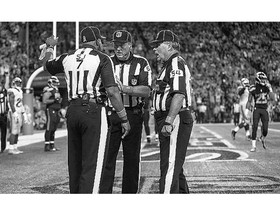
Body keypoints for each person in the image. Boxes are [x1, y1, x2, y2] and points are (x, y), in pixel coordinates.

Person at [40, 26, 130, 193]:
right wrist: (123, 117)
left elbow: (46, 65)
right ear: (96, 41)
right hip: (93, 110)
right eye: (100, 40)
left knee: (75, 164)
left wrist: (49, 48)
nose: (102, 43)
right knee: (93, 165)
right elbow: (111, 91)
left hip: (73, 110)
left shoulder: (67, 57)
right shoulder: (102, 58)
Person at [99, 30, 152, 193]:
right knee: (107, 157)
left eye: (122, 45)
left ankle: (129, 194)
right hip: (111, 114)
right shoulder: (106, 61)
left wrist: (126, 89)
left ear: (130, 45)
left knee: (131, 158)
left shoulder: (141, 63)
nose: (118, 48)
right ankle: (104, 193)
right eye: (115, 45)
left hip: (133, 113)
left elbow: (147, 90)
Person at [150, 30, 194, 193]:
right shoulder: (170, 64)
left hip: (173, 117)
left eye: (157, 45)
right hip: (171, 116)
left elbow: (179, 94)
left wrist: (169, 120)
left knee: (169, 166)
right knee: (175, 166)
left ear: (168, 45)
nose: (154, 49)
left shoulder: (175, 63)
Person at [245, 72, 275, 152]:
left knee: (265, 130)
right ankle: (253, 146)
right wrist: (247, 111)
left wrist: (270, 88)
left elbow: (272, 98)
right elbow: (249, 100)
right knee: (254, 127)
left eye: (264, 79)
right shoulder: (253, 88)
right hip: (256, 109)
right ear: (258, 79)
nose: (264, 81)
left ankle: (262, 137)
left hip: (264, 109)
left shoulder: (267, 87)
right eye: (262, 79)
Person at [7, 77, 28, 155]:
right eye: (17, 82)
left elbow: (20, 104)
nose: (19, 84)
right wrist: (14, 112)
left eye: (19, 82)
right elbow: (11, 103)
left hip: (19, 111)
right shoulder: (12, 91)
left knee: (18, 131)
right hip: (13, 112)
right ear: (14, 83)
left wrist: (24, 113)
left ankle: (15, 147)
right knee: (14, 131)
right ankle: (11, 148)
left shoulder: (20, 91)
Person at [42, 76, 62, 152]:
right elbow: (44, 100)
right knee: (49, 127)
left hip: (56, 110)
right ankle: (47, 145)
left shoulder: (56, 90)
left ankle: (52, 145)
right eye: (55, 82)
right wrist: (54, 100)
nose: (56, 84)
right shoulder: (48, 90)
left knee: (54, 127)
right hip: (50, 109)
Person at [0, 76, 9, 153]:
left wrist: (7, 111)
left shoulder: (5, 91)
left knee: (3, 132)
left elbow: (7, 102)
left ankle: (3, 147)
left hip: (3, 115)